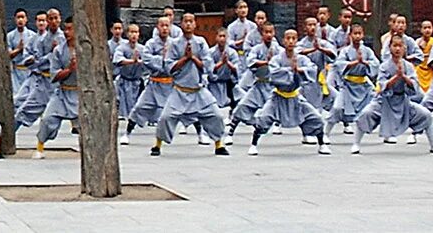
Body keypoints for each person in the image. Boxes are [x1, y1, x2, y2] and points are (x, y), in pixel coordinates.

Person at [245, 29, 331, 156]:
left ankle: (322, 144)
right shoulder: (277, 59)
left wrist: (300, 70)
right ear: (283, 41)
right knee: (264, 118)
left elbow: (312, 69)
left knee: (315, 118)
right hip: (278, 96)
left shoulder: (301, 58)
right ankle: (253, 144)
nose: (290, 41)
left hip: (295, 96)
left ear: (296, 41)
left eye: (293, 38)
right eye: (288, 38)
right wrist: (290, 71)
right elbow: (273, 73)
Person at [153, 12, 228, 156]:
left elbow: (207, 65)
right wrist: (184, 59)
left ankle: (219, 144)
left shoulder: (201, 42)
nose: (188, 24)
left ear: (195, 24)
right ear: (181, 24)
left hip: (198, 90)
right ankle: (157, 145)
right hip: (179, 91)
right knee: (165, 117)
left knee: (216, 116)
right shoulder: (174, 44)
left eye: (191, 21)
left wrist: (193, 57)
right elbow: (169, 67)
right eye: (185, 21)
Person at [352, 35, 433, 153]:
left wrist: (403, 76)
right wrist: (395, 77)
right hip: (384, 101)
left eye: (400, 46)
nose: (397, 49)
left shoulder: (408, 66)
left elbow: (414, 85)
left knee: (426, 115)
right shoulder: (384, 66)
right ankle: (356, 144)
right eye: (395, 46)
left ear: (404, 48)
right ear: (390, 47)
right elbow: (382, 85)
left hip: (403, 101)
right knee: (366, 114)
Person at [31, 19, 80, 157]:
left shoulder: (86, 48)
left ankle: (89, 149)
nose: (66, 32)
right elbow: (55, 75)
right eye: (65, 28)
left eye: (70, 29)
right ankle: (40, 147)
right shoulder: (58, 50)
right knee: (48, 119)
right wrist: (69, 70)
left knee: (87, 123)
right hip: (62, 92)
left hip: (81, 93)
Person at [327, 22, 379, 135]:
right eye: (355, 33)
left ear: (363, 35)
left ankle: (386, 133)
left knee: (379, 105)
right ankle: (326, 133)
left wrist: (364, 62)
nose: (357, 36)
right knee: (337, 108)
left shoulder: (367, 51)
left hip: (364, 85)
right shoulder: (345, 51)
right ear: (350, 35)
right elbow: (339, 64)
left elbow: (376, 64)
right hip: (348, 86)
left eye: (359, 33)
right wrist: (354, 63)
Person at [113, 23, 148, 145]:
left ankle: (132, 126)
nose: (134, 35)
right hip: (124, 82)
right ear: (127, 34)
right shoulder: (122, 48)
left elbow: (149, 62)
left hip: (137, 83)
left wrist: (140, 62)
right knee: (120, 105)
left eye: (136, 32)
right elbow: (118, 60)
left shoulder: (142, 49)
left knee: (137, 106)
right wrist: (132, 61)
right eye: (132, 32)